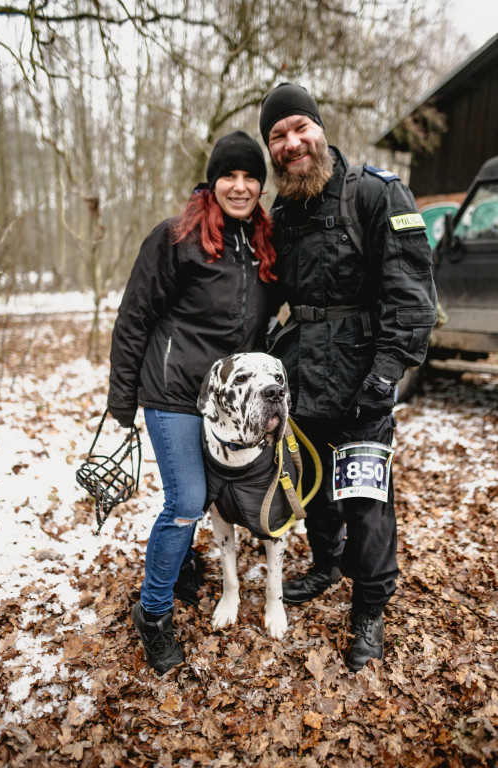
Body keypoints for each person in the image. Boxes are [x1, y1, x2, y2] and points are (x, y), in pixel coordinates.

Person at [259, 83, 437, 671]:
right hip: (301, 375)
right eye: (278, 136)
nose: (292, 144)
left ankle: (369, 607)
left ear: (320, 128)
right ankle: (325, 565)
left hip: (364, 376)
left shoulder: (376, 193)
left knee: (365, 499)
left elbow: (410, 294)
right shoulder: (283, 211)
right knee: (310, 488)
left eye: (299, 129)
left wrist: (387, 373)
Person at [107, 131, 276, 674]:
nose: (241, 186)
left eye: (252, 177)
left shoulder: (263, 246)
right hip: (175, 392)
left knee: (206, 498)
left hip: (229, 403)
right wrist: (122, 397)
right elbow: (134, 316)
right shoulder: (176, 237)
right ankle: (152, 615)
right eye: (231, 175)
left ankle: (178, 570)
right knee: (187, 500)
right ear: (213, 182)